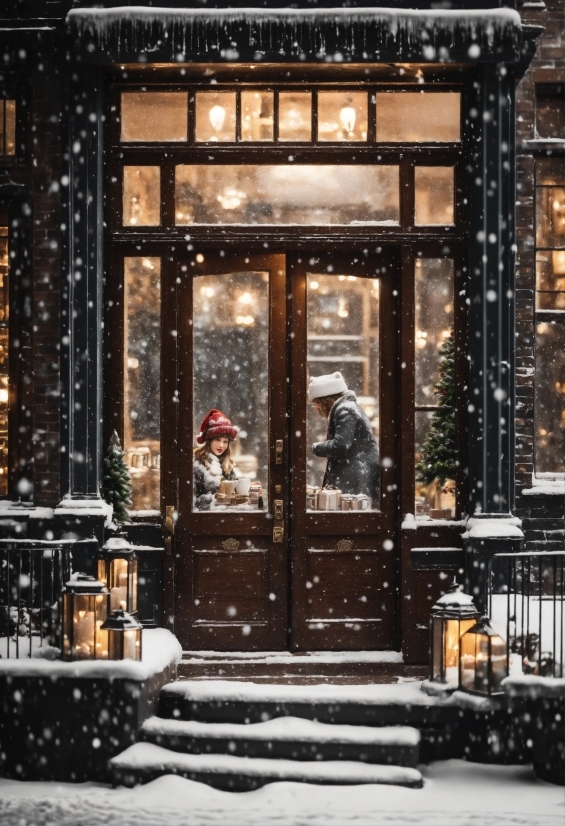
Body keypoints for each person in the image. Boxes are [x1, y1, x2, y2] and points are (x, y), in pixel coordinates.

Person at [309, 371, 379, 504]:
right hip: (356, 472)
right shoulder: (347, 408)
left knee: (350, 516)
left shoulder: (345, 410)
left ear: (325, 399)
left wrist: (315, 447)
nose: (316, 407)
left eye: (316, 402)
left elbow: (340, 445)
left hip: (355, 474)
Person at [193, 409, 238, 510]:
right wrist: (215, 499)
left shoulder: (227, 464)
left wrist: (248, 488)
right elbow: (193, 502)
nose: (221, 445)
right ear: (209, 441)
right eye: (217, 439)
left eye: (225, 441)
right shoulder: (198, 465)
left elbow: (235, 493)